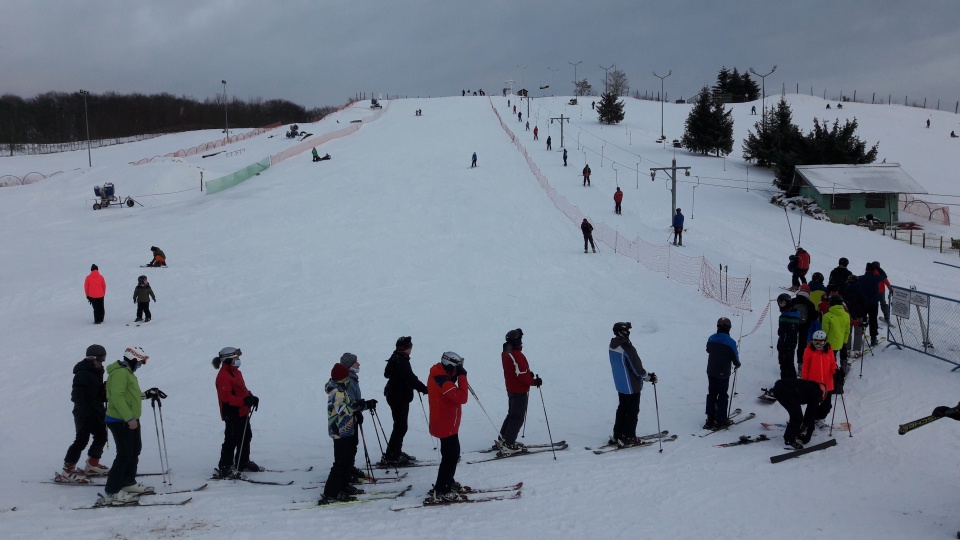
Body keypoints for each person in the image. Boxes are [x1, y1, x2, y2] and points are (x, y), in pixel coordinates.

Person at [98, 347, 155, 506]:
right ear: (134, 359)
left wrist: (146, 394)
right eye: (141, 362)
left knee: (134, 450)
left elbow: (129, 395)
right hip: (120, 420)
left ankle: (128, 482)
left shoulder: (127, 372)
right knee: (124, 454)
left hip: (129, 419)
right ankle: (112, 491)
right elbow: (116, 397)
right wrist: (129, 418)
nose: (141, 365)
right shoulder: (120, 373)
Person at [58, 344, 110, 483]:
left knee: (101, 436)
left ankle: (92, 464)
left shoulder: (97, 370)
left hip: (96, 410)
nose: (101, 362)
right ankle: (68, 470)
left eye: (103, 359)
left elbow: (97, 393)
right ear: (91, 358)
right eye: (99, 359)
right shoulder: (83, 373)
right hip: (84, 412)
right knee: (81, 440)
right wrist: (89, 407)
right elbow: (76, 396)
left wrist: (104, 392)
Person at [427, 351, 469, 503]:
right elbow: (462, 397)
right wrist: (463, 377)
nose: (459, 370)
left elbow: (449, 384)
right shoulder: (441, 379)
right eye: (457, 367)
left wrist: (457, 375)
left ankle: (447, 482)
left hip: (447, 423)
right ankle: (441, 489)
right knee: (450, 457)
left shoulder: (440, 373)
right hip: (445, 425)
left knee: (451, 455)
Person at [213, 347, 260, 478]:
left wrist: (251, 397)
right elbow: (226, 397)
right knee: (231, 439)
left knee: (245, 436)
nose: (238, 360)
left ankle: (242, 462)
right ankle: (225, 467)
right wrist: (244, 401)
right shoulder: (223, 376)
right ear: (228, 360)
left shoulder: (236, 373)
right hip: (232, 412)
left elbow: (242, 390)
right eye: (236, 358)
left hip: (242, 411)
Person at [608, 322, 657, 446]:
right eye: (627, 331)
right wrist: (648, 377)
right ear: (623, 332)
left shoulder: (613, 345)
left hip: (620, 384)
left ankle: (618, 434)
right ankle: (629, 437)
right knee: (632, 411)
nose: (629, 333)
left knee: (622, 408)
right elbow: (637, 369)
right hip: (631, 385)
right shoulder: (626, 348)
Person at [381, 336, 427, 466]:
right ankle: (394, 455)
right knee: (401, 426)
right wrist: (425, 389)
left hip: (394, 395)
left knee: (399, 426)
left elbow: (387, 374)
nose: (411, 348)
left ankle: (394, 452)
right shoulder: (402, 360)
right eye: (410, 346)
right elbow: (410, 378)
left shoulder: (395, 357)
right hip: (399, 397)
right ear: (407, 348)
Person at [496, 329, 541, 455]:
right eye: (520, 339)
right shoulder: (516, 355)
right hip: (519, 389)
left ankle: (503, 439)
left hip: (512, 388)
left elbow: (517, 371)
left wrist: (528, 374)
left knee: (512, 414)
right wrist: (534, 382)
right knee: (517, 417)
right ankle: (508, 444)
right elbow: (521, 375)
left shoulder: (506, 353)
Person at [320, 363, 360, 504]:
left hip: (346, 428)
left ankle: (343, 485)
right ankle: (330, 492)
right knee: (340, 462)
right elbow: (342, 409)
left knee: (348, 459)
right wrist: (360, 406)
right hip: (339, 430)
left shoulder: (341, 387)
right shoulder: (336, 391)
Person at [340, 353, 375, 483]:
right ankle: (346, 471)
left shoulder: (352, 378)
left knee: (353, 444)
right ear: (349, 365)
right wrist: (364, 406)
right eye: (356, 362)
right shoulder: (348, 380)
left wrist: (363, 406)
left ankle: (349, 468)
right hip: (347, 420)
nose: (358, 364)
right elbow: (350, 404)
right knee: (348, 446)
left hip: (352, 417)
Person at [704, 317, 741, 430]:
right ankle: (721, 420)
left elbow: (708, 349)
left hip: (711, 371)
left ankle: (710, 419)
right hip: (723, 373)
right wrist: (737, 364)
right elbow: (735, 359)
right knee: (723, 395)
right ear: (729, 328)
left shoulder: (711, 338)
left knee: (712, 394)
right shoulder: (731, 342)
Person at [771, 377, 827, 450]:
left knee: (796, 415)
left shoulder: (812, 387)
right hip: (785, 390)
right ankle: (789, 440)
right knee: (797, 417)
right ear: (823, 394)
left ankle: (794, 434)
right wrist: (809, 433)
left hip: (781, 387)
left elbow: (808, 414)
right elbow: (811, 413)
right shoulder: (816, 393)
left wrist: (805, 427)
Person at [800, 330, 837, 436]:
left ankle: (818, 419)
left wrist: (836, 373)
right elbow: (805, 366)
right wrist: (805, 381)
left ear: (825, 342)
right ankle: (808, 423)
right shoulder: (809, 350)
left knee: (827, 406)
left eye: (820, 342)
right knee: (813, 405)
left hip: (827, 383)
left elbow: (832, 364)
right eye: (816, 342)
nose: (818, 344)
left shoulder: (829, 349)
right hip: (814, 384)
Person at [821, 294, 851, 372]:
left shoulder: (827, 316)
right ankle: (843, 368)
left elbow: (824, 332)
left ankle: (832, 370)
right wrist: (845, 341)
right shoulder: (846, 315)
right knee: (843, 353)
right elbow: (847, 330)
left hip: (830, 343)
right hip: (842, 341)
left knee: (831, 358)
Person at [858, 262, 884, 347]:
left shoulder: (860, 278)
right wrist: (878, 268)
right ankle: (873, 338)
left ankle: (859, 335)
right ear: (873, 270)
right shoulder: (875, 278)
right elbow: (884, 275)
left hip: (862, 303)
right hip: (873, 303)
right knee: (873, 320)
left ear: (866, 269)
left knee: (862, 319)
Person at [793, 286, 818, 372]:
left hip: (793, 326)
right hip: (804, 326)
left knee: (791, 345)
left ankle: (790, 365)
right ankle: (801, 366)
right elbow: (814, 316)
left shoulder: (792, 301)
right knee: (802, 345)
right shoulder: (809, 303)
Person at [776, 293, 801, 379]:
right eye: (779, 303)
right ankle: (784, 382)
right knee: (783, 363)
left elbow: (792, 334)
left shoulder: (792, 316)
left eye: (783, 303)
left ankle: (791, 383)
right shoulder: (784, 315)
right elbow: (782, 331)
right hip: (782, 343)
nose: (781, 305)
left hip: (788, 345)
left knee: (788, 363)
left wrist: (787, 347)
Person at [843, 275, 867, 357]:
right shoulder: (860, 291)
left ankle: (847, 350)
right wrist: (865, 317)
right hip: (859, 315)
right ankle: (857, 351)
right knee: (858, 332)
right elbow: (864, 305)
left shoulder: (845, 291)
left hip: (847, 315)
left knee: (848, 332)